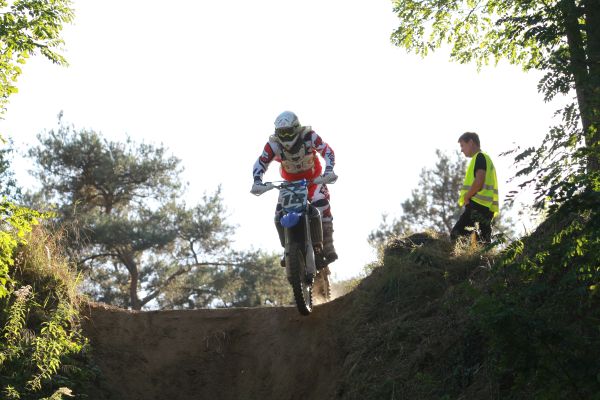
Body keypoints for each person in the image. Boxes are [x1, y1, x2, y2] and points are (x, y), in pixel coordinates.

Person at [250, 111, 338, 265]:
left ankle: (328, 245)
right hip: (290, 185)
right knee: (279, 214)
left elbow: (327, 150)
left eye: (288, 131)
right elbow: (261, 162)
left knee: (321, 203)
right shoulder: (273, 144)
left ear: (296, 128)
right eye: (282, 133)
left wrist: (329, 170)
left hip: (314, 180)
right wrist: (257, 181)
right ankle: (288, 249)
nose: (285, 136)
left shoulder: (309, 136)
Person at [451, 132, 499, 244]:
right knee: (483, 242)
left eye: (462, 145)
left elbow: (479, 181)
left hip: (477, 206)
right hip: (487, 208)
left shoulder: (480, 157)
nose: (461, 150)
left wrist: (467, 197)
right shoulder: (486, 158)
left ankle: (459, 256)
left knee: (456, 235)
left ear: (471, 142)